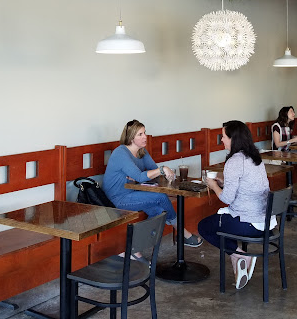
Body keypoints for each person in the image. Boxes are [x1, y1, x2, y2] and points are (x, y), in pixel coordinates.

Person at [102, 120, 202, 248]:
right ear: (131, 138)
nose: (145, 137)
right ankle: (183, 233)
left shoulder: (141, 151)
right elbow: (143, 175)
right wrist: (160, 170)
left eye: (144, 133)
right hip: (117, 198)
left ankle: (134, 247)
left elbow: (152, 171)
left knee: (160, 212)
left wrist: (148, 174)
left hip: (133, 193)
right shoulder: (121, 153)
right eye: (140, 134)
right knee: (161, 197)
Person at [198, 121, 273, 290]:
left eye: (223, 136)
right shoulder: (255, 157)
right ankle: (237, 259)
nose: (221, 140)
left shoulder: (234, 161)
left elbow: (226, 198)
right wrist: (224, 180)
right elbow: (246, 184)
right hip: (265, 222)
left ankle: (240, 255)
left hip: (247, 223)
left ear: (234, 139)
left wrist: (213, 185)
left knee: (205, 226)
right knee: (222, 221)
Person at [271, 106, 297, 190]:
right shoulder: (276, 126)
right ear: (285, 113)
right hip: (278, 154)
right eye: (291, 111)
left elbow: (288, 142)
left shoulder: (288, 126)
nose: (294, 114)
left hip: (287, 153)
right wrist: (292, 140)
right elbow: (277, 144)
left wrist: (296, 140)